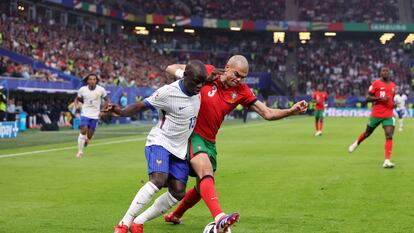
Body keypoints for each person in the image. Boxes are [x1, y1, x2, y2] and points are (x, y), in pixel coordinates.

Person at [159, 55, 307, 233]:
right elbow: (170, 67)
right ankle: (220, 217)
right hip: (193, 134)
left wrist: (291, 111)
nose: (238, 80)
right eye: (236, 74)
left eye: (243, 77)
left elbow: (267, 113)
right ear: (227, 67)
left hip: (210, 140)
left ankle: (175, 215)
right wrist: (190, 75)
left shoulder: (243, 91)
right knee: (206, 173)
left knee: (201, 187)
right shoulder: (208, 71)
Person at [110, 60, 208, 233]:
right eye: (196, 82)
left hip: (180, 148)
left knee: (178, 192)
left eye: (203, 82)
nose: (200, 86)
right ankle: (124, 223)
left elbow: (180, 71)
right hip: (160, 141)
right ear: (186, 77)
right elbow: (141, 105)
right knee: (158, 179)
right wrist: (121, 112)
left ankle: (138, 222)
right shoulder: (167, 93)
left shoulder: (194, 84)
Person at [348, 67, 396, 168]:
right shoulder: (375, 84)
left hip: (388, 114)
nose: (385, 72)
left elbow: (391, 99)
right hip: (376, 114)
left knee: (389, 135)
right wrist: (379, 98)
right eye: (383, 71)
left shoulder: (393, 86)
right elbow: (367, 98)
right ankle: (356, 143)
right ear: (380, 73)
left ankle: (387, 161)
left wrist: (393, 104)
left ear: (389, 73)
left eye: (387, 71)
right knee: (367, 133)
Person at [74, 74, 109, 158]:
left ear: (96, 81)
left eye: (94, 79)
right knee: (84, 129)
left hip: (95, 115)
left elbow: (107, 100)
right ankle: (80, 151)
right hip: (85, 113)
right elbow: (77, 99)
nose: (92, 81)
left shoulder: (101, 89)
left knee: (90, 134)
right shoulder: (82, 90)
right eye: (90, 79)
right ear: (87, 81)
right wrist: (76, 105)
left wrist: (102, 111)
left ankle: (87, 139)